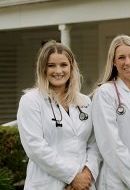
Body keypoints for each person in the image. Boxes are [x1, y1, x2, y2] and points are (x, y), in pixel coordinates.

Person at [17, 40, 100, 190]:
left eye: (63, 65)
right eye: (51, 65)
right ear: (43, 68)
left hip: (83, 185)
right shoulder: (31, 101)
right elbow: (35, 147)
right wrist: (73, 176)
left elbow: (94, 143)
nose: (58, 71)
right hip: (47, 184)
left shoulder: (85, 102)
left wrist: (87, 173)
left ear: (71, 67)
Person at [91, 35, 130, 190]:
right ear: (113, 62)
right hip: (117, 182)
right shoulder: (105, 93)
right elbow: (109, 141)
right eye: (121, 57)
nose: (128, 62)